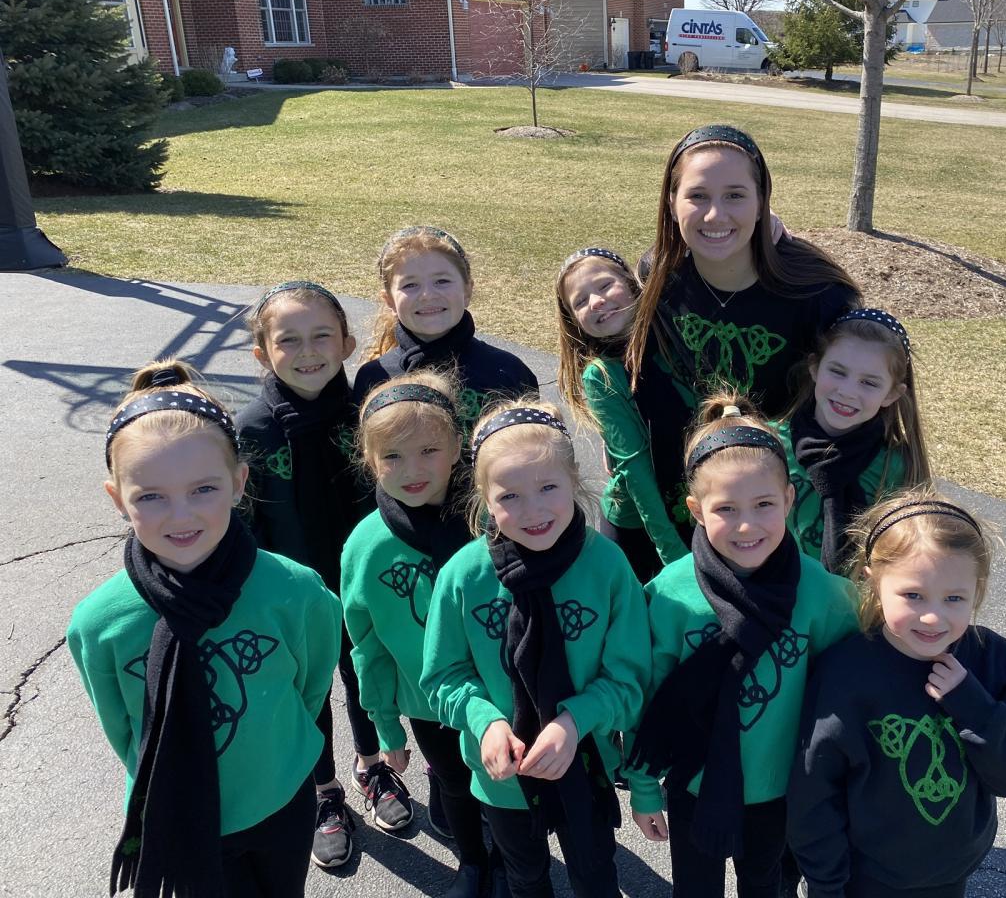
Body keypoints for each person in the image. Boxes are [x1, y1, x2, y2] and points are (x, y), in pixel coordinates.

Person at [67, 359, 341, 898]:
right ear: (117, 498)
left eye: (204, 489)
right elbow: (124, 729)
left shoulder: (295, 590)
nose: (181, 515)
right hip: (179, 813)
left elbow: (310, 689)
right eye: (150, 496)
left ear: (239, 483)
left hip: (281, 799)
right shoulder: (100, 623)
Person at [787, 488, 1006, 898]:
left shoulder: (993, 661)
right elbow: (813, 793)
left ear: (977, 589)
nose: (932, 617)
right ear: (873, 581)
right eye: (913, 595)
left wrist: (974, 707)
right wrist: (825, 884)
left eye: (954, 598)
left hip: (952, 872)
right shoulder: (845, 673)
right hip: (860, 878)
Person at [624, 393, 858, 898]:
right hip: (692, 779)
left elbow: (848, 696)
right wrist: (643, 786)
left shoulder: (825, 596)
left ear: (790, 499)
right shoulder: (669, 595)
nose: (747, 525)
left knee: (765, 884)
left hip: (780, 787)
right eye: (726, 509)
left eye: (764, 505)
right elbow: (647, 694)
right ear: (695, 511)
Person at [422, 400, 651, 898]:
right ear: (484, 499)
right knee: (524, 876)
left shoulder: (607, 566)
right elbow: (442, 677)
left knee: (595, 873)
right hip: (502, 772)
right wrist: (486, 722)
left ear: (575, 480)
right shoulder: (463, 576)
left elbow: (631, 678)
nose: (534, 511)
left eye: (549, 487)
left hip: (586, 762)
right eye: (510, 496)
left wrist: (574, 722)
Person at [624, 124, 863, 535]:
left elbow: (863, 401)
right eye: (698, 196)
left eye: (735, 195)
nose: (715, 215)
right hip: (695, 491)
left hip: (790, 501)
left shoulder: (818, 293)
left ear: (762, 202)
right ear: (671, 202)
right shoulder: (659, 275)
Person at [235, 280, 378, 869]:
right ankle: (324, 792)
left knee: (366, 677)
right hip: (295, 595)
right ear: (262, 353)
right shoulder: (251, 429)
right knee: (309, 690)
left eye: (322, 336)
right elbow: (244, 523)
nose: (308, 350)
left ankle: (375, 767)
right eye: (288, 340)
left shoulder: (367, 413)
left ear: (346, 343)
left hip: (364, 585)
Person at [341, 371, 500, 897]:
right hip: (429, 702)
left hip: (502, 690)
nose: (412, 470)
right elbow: (366, 646)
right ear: (369, 459)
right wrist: (386, 727)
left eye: (429, 450)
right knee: (453, 782)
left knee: (510, 781)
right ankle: (473, 863)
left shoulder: (494, 517)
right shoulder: (365, 547)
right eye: (392, 456)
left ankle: (514, 862)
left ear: (458, 447)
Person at [555, 246, 687, 581]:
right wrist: (674, 554)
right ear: (574, 322)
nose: (596, 302)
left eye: (604, 286)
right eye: (580, 302)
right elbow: (636, 469)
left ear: (631, 284)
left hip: (705, 496)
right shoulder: (601, 376)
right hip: (641, 525)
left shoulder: (678, 336)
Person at [353, 225, 538, 439]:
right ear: (390, 301)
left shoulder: (508, 372)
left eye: (442, 281)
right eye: (410, 285)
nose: (427, 295)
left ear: (467, 290)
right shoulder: (375, 377)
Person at [782, 308, 930, 574]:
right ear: (814, 368)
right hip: (772, 592)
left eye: (869, 383)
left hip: (849, 597)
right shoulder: (770, 444)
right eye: (838, 371)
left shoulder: (895, 469)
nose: (848, 391)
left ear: (892, 394)